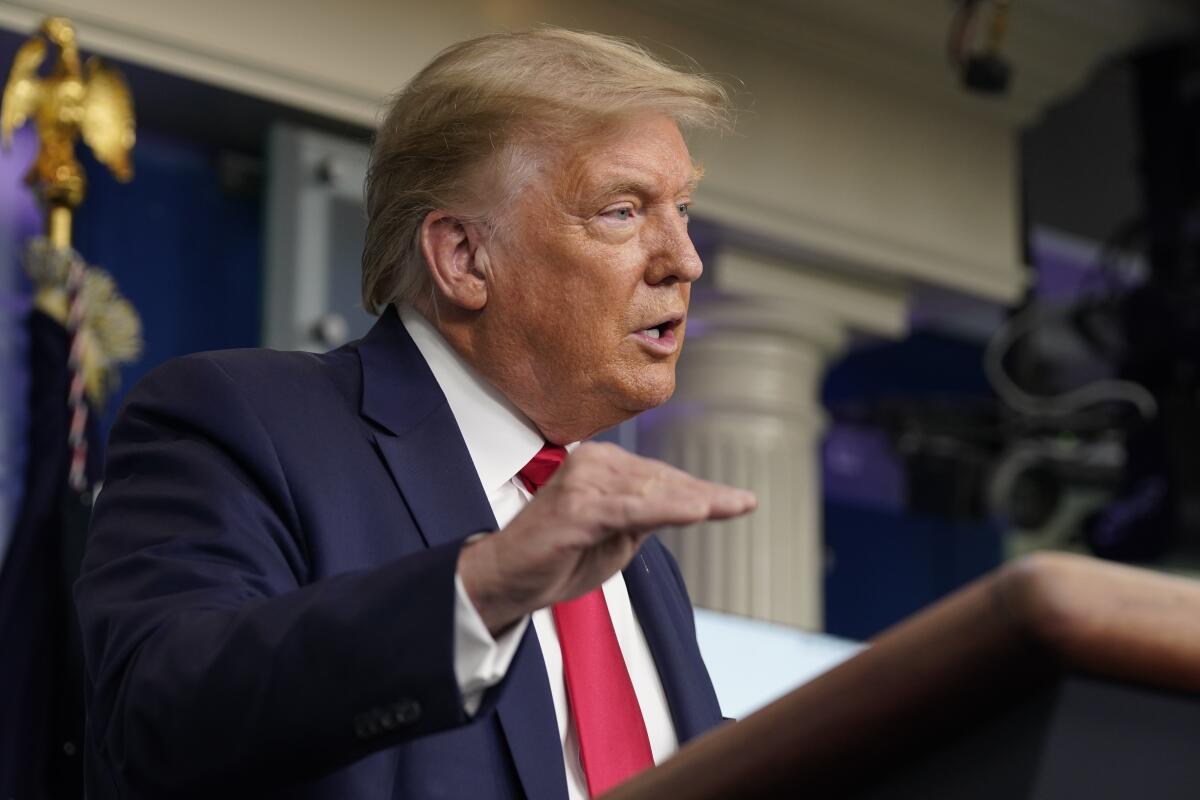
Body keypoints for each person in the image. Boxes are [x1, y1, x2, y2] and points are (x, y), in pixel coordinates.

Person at [76, 27, 754, 799]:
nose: (685, 260)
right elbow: (158, 719)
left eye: (685, 208)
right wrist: (484, 586)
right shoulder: (244, 425)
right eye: (623, 211)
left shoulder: (638, 562)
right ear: (464, 257)